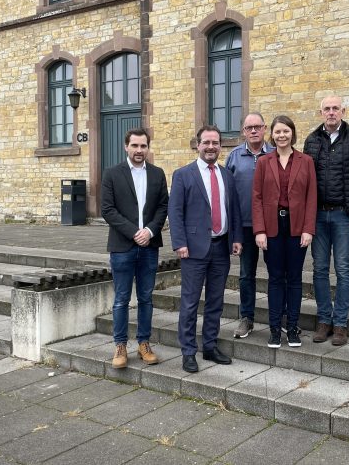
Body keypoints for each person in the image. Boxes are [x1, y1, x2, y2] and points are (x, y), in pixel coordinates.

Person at [169, 125, 243, 373]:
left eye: (215, 143)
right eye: (206, 142)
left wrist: (236, 238)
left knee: (215, 301)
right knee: (190, 303)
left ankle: (210, 345)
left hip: (221, 248)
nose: (211, 147)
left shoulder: (226, 175)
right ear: (198, 145)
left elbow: (234, 210)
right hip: (193, 250)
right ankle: (188, 351)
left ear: (220, 146)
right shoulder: (183, 175)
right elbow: (175, 212)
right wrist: (179, 243)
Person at [303, 95, 349, 346]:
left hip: (344, 215)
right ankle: (324, 321)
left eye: (335, 108)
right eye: (326, 109)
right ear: (321, 113)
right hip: (318, 215)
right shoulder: (311, 141)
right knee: (319, 268)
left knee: (343, 268)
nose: (331, 113)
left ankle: (340, 323)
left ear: (342, 111)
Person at [101, 129, 169, 369]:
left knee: (146, 298)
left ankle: (144, 343)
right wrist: (134, 232)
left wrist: (149, 231)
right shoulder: (111, 174)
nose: (139, 151)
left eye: (143, 146)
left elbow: (163, 207)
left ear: (148, 148)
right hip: (122, 246)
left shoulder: (157, 174)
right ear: (126, 147)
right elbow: (107, 210)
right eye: (135, 146)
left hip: (149, 246)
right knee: (121, 299)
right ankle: (120, 346)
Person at [252, 116, 317, 348]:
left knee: (295, 278)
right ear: (272, 135)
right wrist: (259, 230)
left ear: (292, 133)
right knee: (276, 278)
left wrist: (308, 229)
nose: (282, 136)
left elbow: (312, 198)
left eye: (286, 131)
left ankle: (292, 328)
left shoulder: (306, 161)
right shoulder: (263, 162)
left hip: (297, 227)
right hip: (271, 227)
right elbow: (257, 197)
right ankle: (274, 329)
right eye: (278, 132)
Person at [225, 113, 273, 338]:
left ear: (265, 128)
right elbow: (227, 196)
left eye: (257, 127)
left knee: (277, 273)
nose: (253, 131)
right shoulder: (234, 157)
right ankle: (247, 317)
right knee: (246, 274)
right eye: (249, 128)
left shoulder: (276, 153)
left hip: (273, 225)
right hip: (244, 226)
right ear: (243, 131)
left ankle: (279, 316)